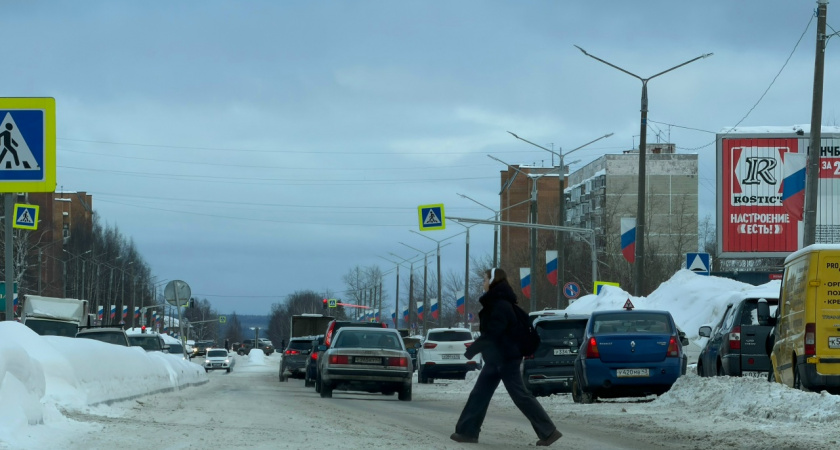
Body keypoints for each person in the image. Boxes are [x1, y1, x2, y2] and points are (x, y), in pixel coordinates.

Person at [451, 268, 562, 447]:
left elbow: (494, 332)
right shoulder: (497, 303)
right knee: (479, 394)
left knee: (520, 395)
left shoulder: (500, 305)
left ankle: (548, 431)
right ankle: (467, 432)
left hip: (506, 358)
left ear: (493, 281)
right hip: (497, 358)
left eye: (485, 279)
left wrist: (472, 349)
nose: (483, 283)